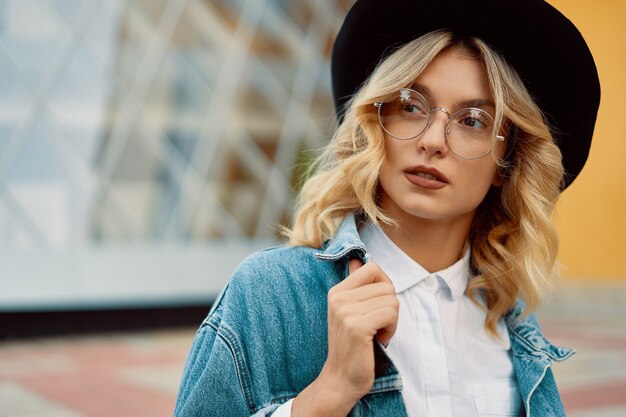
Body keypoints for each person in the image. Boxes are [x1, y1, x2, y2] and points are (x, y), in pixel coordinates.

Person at [173, 0, 600, 416]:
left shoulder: (512, 325)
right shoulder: (271, 294)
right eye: (411, 106)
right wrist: (330, 391)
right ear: (378, 124)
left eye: (472, 120)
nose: (433, 140)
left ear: (505, 165)